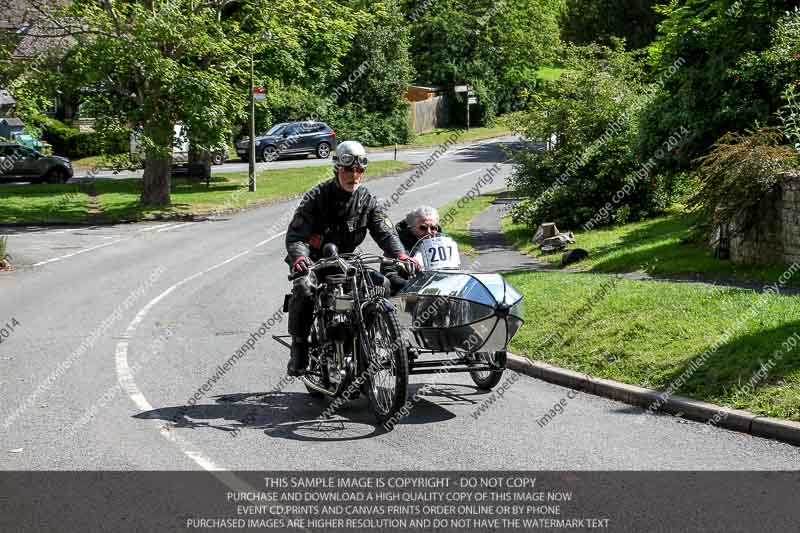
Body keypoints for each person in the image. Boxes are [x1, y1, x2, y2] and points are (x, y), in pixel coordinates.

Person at [284, 140, 418, 376]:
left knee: (382, 284)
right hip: (316, 261)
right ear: (338, 168)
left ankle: (383, 334)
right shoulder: (316, 197)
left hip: (349, 260)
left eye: (359, 170)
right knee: (304, 289)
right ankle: (300, 346)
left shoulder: (366, 200)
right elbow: (296, 236)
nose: (354, 175)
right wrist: (299, 259)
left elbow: (385, 230)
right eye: (348, 170)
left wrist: (400, 255)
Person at [384, 206, 442, 294]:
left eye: (433, 228)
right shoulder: (397, 244)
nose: (429, 232)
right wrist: (413, 286)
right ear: (412, 227)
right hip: (407, 294)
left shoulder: (442, 240)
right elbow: (388, 273)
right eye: (423, 227)